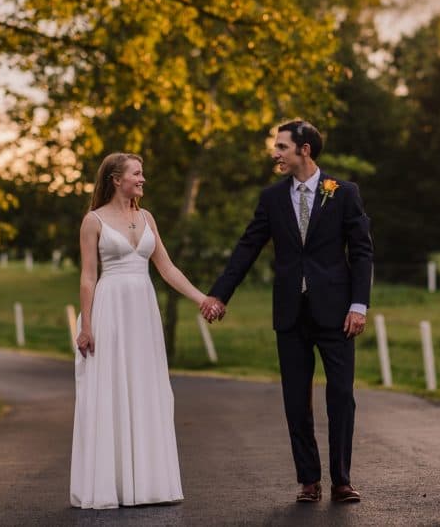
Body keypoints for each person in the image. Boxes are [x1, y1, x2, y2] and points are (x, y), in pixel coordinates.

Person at [204, 120, 373, 504]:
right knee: (296, 399)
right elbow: (247, 248)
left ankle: (342, 480)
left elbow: (362, 252)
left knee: (341, 396)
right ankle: (309, 480)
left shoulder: (344, 193)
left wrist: (358, 305)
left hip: (337, 315)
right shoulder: (271, 198)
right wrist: (219, 295)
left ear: (305, 150)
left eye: (281, 147)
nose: (275, 153)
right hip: (290, 315)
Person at [70, 152, 221, 509]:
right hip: (110, 310)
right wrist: (87, 325)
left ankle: (149, 483)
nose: (143, 179)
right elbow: (88, 277)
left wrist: (203, 299)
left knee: (145, 386)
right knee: (112, 389)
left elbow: (166, 268)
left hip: (143, 311)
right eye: (137, 174)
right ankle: (113, 485)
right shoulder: (93, 221)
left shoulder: (147, 217)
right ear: (116, 179)